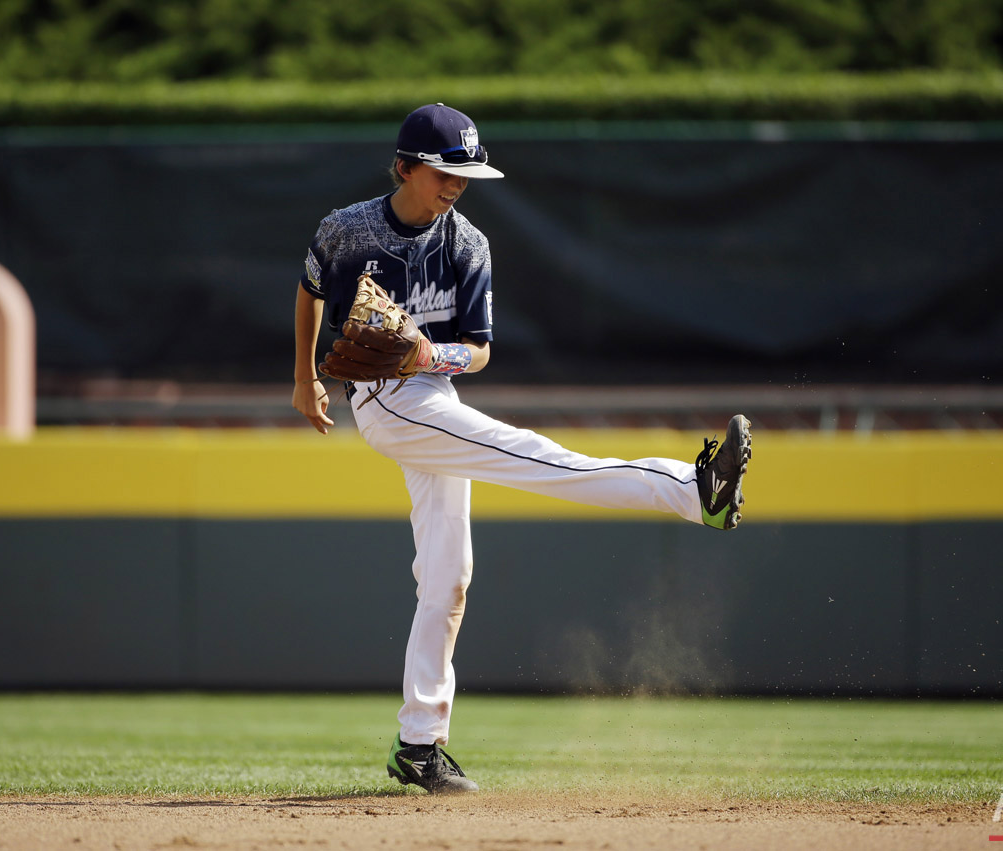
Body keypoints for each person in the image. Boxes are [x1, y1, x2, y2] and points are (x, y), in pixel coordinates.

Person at [291, 103, 752, 795]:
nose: (457, 184)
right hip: (385, 400)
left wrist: (426, 349)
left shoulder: (467, 243)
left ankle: (418, 744)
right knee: (543, 459)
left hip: (432, 395)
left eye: (467, 173)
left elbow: (475, 353)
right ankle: (692, 491)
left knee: (448, 576)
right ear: (406, 165)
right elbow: (309, 290)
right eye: (446, 170)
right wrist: (303, 379)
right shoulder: (347, 227)